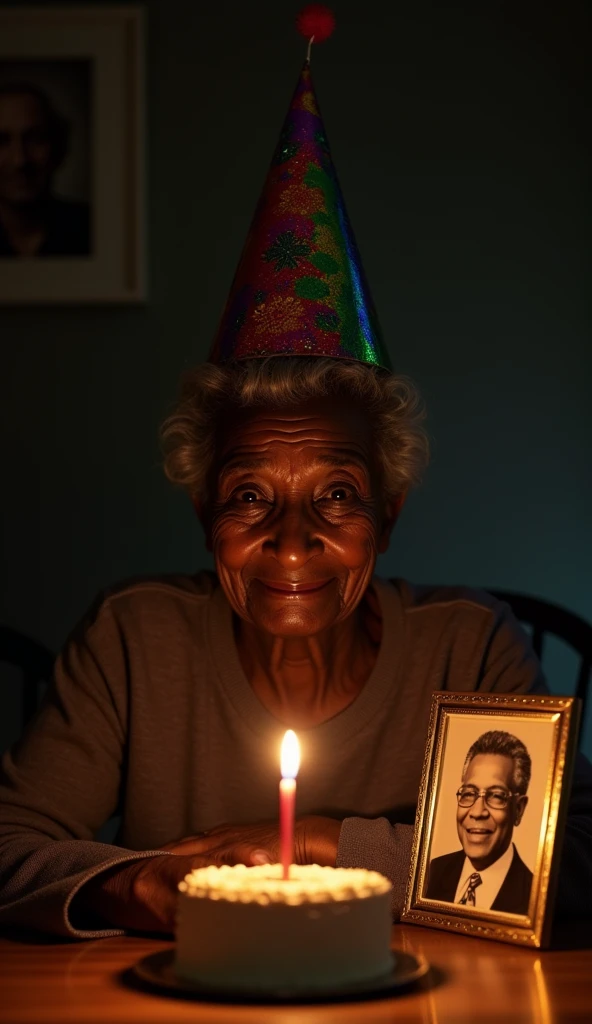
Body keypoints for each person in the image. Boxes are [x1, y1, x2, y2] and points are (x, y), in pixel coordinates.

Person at [1, 27, 591, 941]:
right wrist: (138, 886)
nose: (289, 538)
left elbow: (568, 869)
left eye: (338, 495)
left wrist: (320, 844)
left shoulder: (469, 649)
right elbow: (7, 843)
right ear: (204, 513)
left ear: (388, 518)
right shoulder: (134, 637)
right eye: (249, 496)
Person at [426, 731, 534, 914]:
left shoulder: (533, 898)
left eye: (497, 796)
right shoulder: (432, 873)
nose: (477, 812)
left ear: (518, 809)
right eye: (469, 794)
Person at [0, 82, 90, 257]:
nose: (20, 160)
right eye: (2, 141)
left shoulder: (94, 228)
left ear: (59, 148)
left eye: (34, 139)